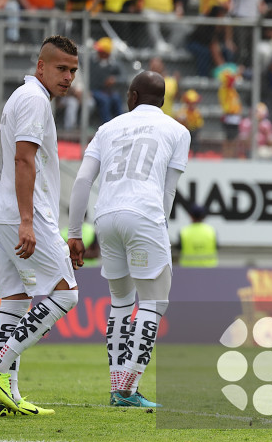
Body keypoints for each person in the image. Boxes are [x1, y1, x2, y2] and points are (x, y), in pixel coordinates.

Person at [67, 71, 190, 408]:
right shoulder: (178, 131)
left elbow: (81, 182)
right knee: (154, 302)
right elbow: (168, 190)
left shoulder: (107, 129)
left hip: (105, 216)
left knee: (121, 302)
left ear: (132, 96)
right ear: (162, 100)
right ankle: (127, 388)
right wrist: (158, 230)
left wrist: (75, 233)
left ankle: (117, 386)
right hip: (145, 214)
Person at [0, 35, 80, 417]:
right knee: (66, 294)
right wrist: (27, 221)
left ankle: (10, 396)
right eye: (61, 68)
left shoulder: (22, 96)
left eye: (72, 70)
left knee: (15, 302)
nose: (68, 77)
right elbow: (23, 160)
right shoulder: (35, 99)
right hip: (23, 213)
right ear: (41, 67)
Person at [89, 37, 124, 124]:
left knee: (116, 98)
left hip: (109, 91)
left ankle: (120, 124)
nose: (98, 53)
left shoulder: (114, 64)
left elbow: (124, 77)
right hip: (94, 90)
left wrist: (115, 80)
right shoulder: (91, 62)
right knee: (104, 100)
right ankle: (106, 124)